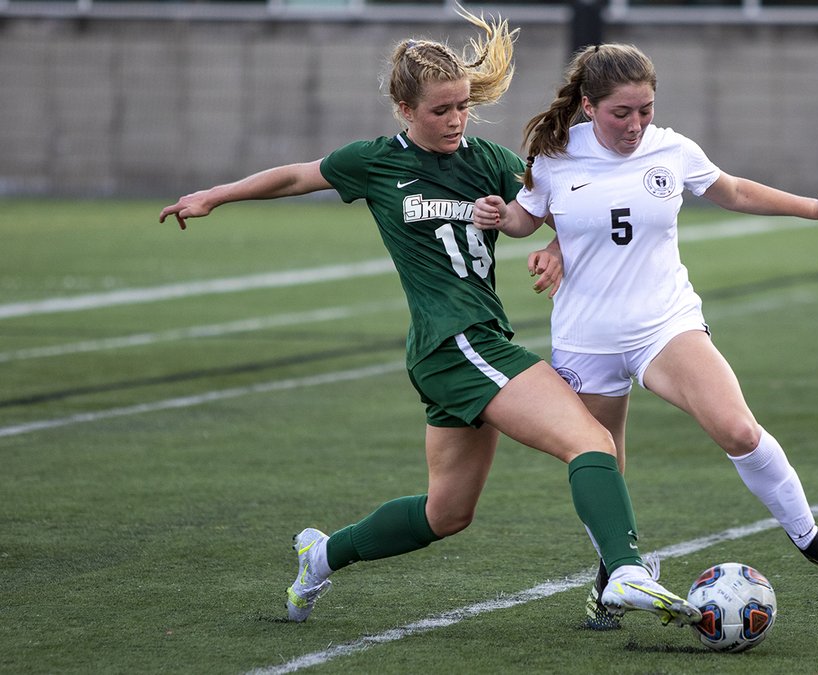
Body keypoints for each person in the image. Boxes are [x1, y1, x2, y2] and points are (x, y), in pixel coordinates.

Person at [158, 14, 700, 629]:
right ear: (404, 109)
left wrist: (555, 247)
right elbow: (295, 176)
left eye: (463, 107)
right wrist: (214, 195)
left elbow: (571, 209)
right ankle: (624, 573)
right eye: (441, 110)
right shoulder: (375, 162)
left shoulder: (489, 160)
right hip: (453, 342)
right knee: (591, 441)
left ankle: (321, 556)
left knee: (447, 514)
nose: (456, 120)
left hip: (473, 343)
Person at [471, 42, 818, 631]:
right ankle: (613, 573)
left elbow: (733, 190)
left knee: (737, 428)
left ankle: (810, 538)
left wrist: (813, 208)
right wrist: (500, 216)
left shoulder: (673, 149)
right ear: (588, 106)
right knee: (602, 464)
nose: (636, 125)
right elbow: (526, 217)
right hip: (586, 337)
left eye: (646, 110)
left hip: (665, 323)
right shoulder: (554, 156)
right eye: (621, 113)